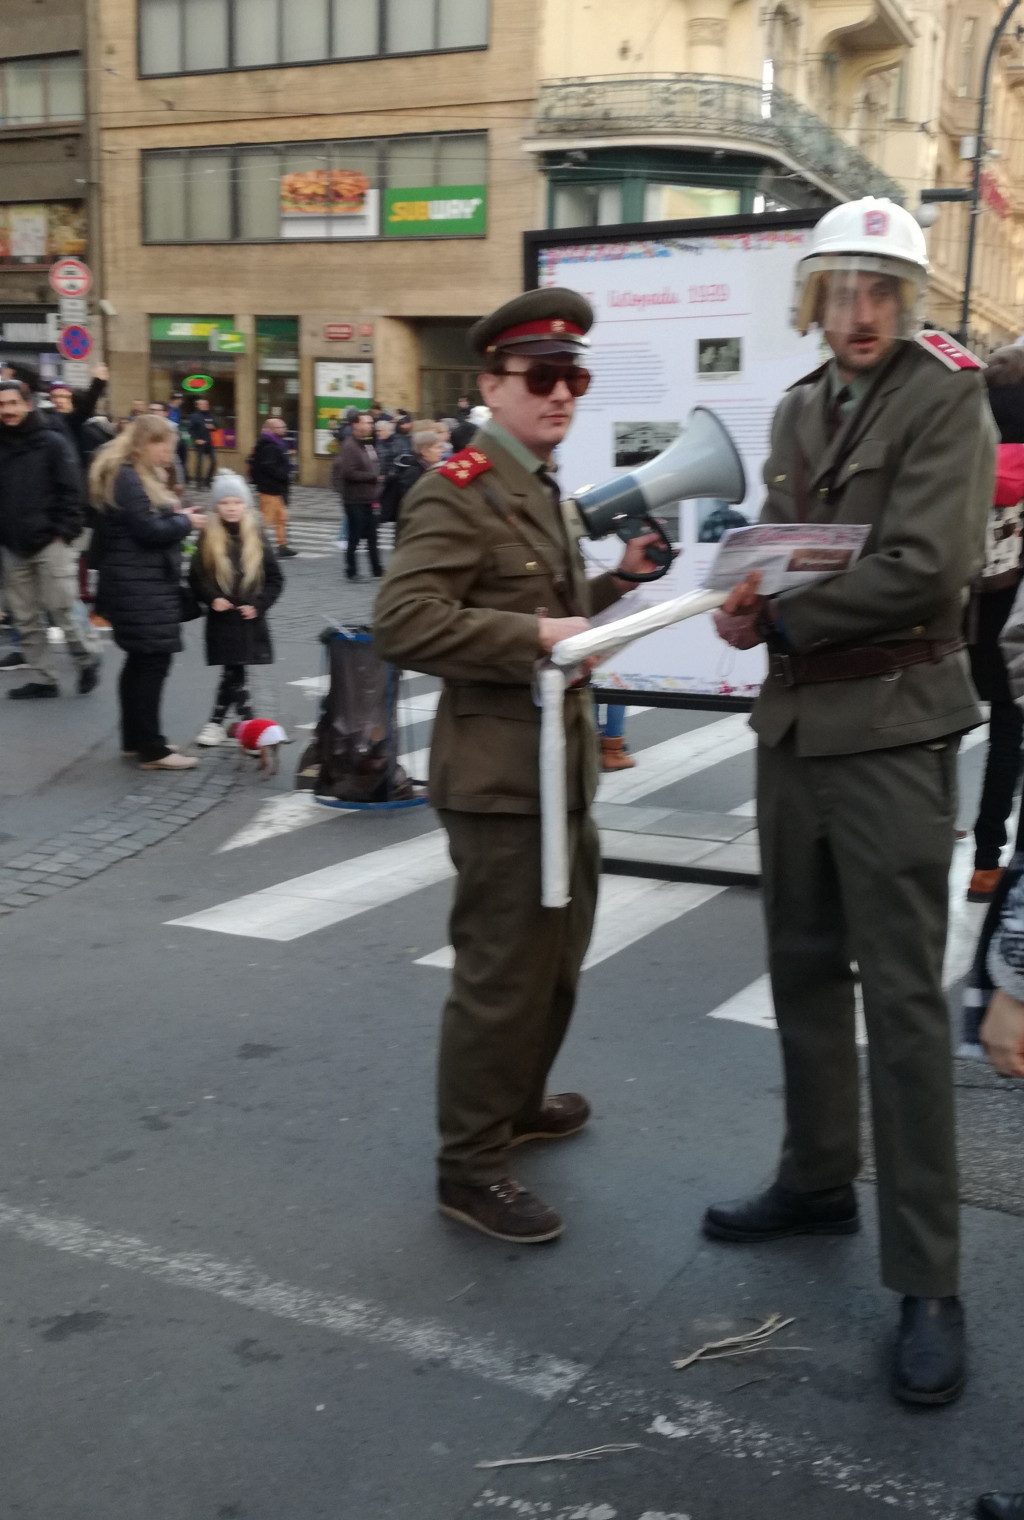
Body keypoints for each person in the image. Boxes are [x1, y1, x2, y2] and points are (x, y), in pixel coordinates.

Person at [706, 197, 996, 1404]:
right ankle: (817, 1175)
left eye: (881, 289)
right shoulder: (796, 405)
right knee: (803, 965)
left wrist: (780, 615)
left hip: (890, 724)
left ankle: (928, 1277)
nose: (860, 311)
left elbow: (930, 564)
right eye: (842, 289)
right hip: (795, 726)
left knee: (904, 1004)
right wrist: (745, 597)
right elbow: (797, 545)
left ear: (907, 299)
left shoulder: (945, 396)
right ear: (815, 298)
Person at [374, 288, 662, 1244]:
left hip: (557, 772)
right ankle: (469, 1167)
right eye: (541, 377)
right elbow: (403, 622)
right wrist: (530, 634)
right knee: (501, 976)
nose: (562, 393)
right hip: (500, 781)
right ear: (492, 384)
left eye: (573, 376)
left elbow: (556, 610)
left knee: (557, 962)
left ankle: (517, 1104)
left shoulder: (537, 484)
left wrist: (619, 583)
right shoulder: (455, 488)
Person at [90, 415, 205, 769]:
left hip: (135, 580)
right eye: (165, 447)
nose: (169, 455)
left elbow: (141, 523)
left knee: (140, 661)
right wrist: (185, 522)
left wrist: (176, 516)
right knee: (152, 661)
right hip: (139, 583)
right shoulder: (128, 476)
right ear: (146, 443)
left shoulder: (127, 473)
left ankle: (135, 740)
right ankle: (153, 750)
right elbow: (147, 529)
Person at [962, 345, 1024, 901]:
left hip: (957, 620)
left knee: (937, 728)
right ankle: (986, 863)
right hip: (1013, 627)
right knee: (1008, 737)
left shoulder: (966, 450)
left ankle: (930, 830)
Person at [0, 379, 101, 700]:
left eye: (13, 403)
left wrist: (63, 534)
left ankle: (86, 659)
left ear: (28, 404)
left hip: (51, 542)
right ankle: (44, 679)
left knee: (62, 610)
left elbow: (73, 492)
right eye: (1, 405)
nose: (7, 410)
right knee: (26, 617)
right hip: (11, 545)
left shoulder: (51, 442)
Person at [190, 472, 283, 746]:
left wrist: (259, 605)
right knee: (234, 669)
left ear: (245, 505)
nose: (231, 508)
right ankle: (248, 727)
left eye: (237, 502)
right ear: (216, 507)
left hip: (249, 619)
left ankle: (223, 724)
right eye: (225, 503)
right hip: (222, 620)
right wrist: (212, 598)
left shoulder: (257, 536)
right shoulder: (208, 537)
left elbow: (275, 579)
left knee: (234, 669)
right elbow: (196, 578)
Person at [339, 410, 382, 582]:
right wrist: (373, 477)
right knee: (355, 536)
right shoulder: (349, 446)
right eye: (367, 423)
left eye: (371, 423)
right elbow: (348, 472)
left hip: (369, 497)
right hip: (354, 499)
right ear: (356, 425)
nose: (371, 426)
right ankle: (351, 571)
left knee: (372, 536)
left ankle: (377, 569)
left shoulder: (367, 444)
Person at [250, 416, 296, 558]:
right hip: (269, 488)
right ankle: (253, 542)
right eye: (280, 427)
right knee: (266, 519)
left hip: (276, 488)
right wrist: (283, 474)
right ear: (271, 429)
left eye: (284, 427)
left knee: (281, 518)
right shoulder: (268, 445)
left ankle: (282, 546)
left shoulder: (276, 442)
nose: (284, 429)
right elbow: (268, 467)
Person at [380, 428, 442, 527]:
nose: (441, 451)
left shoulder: (426, 469)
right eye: (437, 447)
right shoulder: (414, 473)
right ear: (425, 451)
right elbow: (410, 503)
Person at [188, 397, 216, 486]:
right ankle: (198, 483)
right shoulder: (194, 416)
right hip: (200, 442)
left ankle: (208, 481)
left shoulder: (210, 415)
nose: (205, 405)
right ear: (198, 406)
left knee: (214, 462)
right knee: (199, 463)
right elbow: (191, 430)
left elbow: (215, 426)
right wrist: (196, 439)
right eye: (203, 404)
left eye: (206, 404)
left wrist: (213, 427)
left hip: (209, 442)